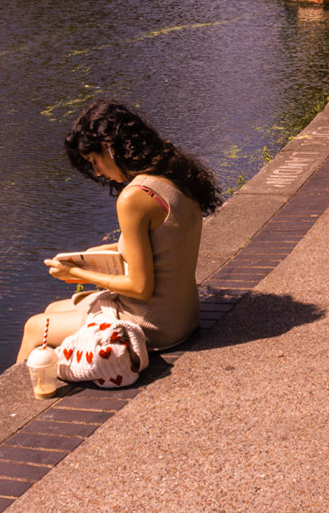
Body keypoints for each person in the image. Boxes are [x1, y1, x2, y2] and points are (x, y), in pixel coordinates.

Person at [18, 99, 223, 362]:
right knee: (52, 309)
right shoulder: (174, 175)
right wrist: (102, 252)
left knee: (34, 327)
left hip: (153, 326)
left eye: (95, 161)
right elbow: (165, 240)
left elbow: (139, 287)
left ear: (110, 148)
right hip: (183, 317)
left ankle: (27, 386)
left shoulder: (134, 196)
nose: (97, 172)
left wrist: (76, 273)